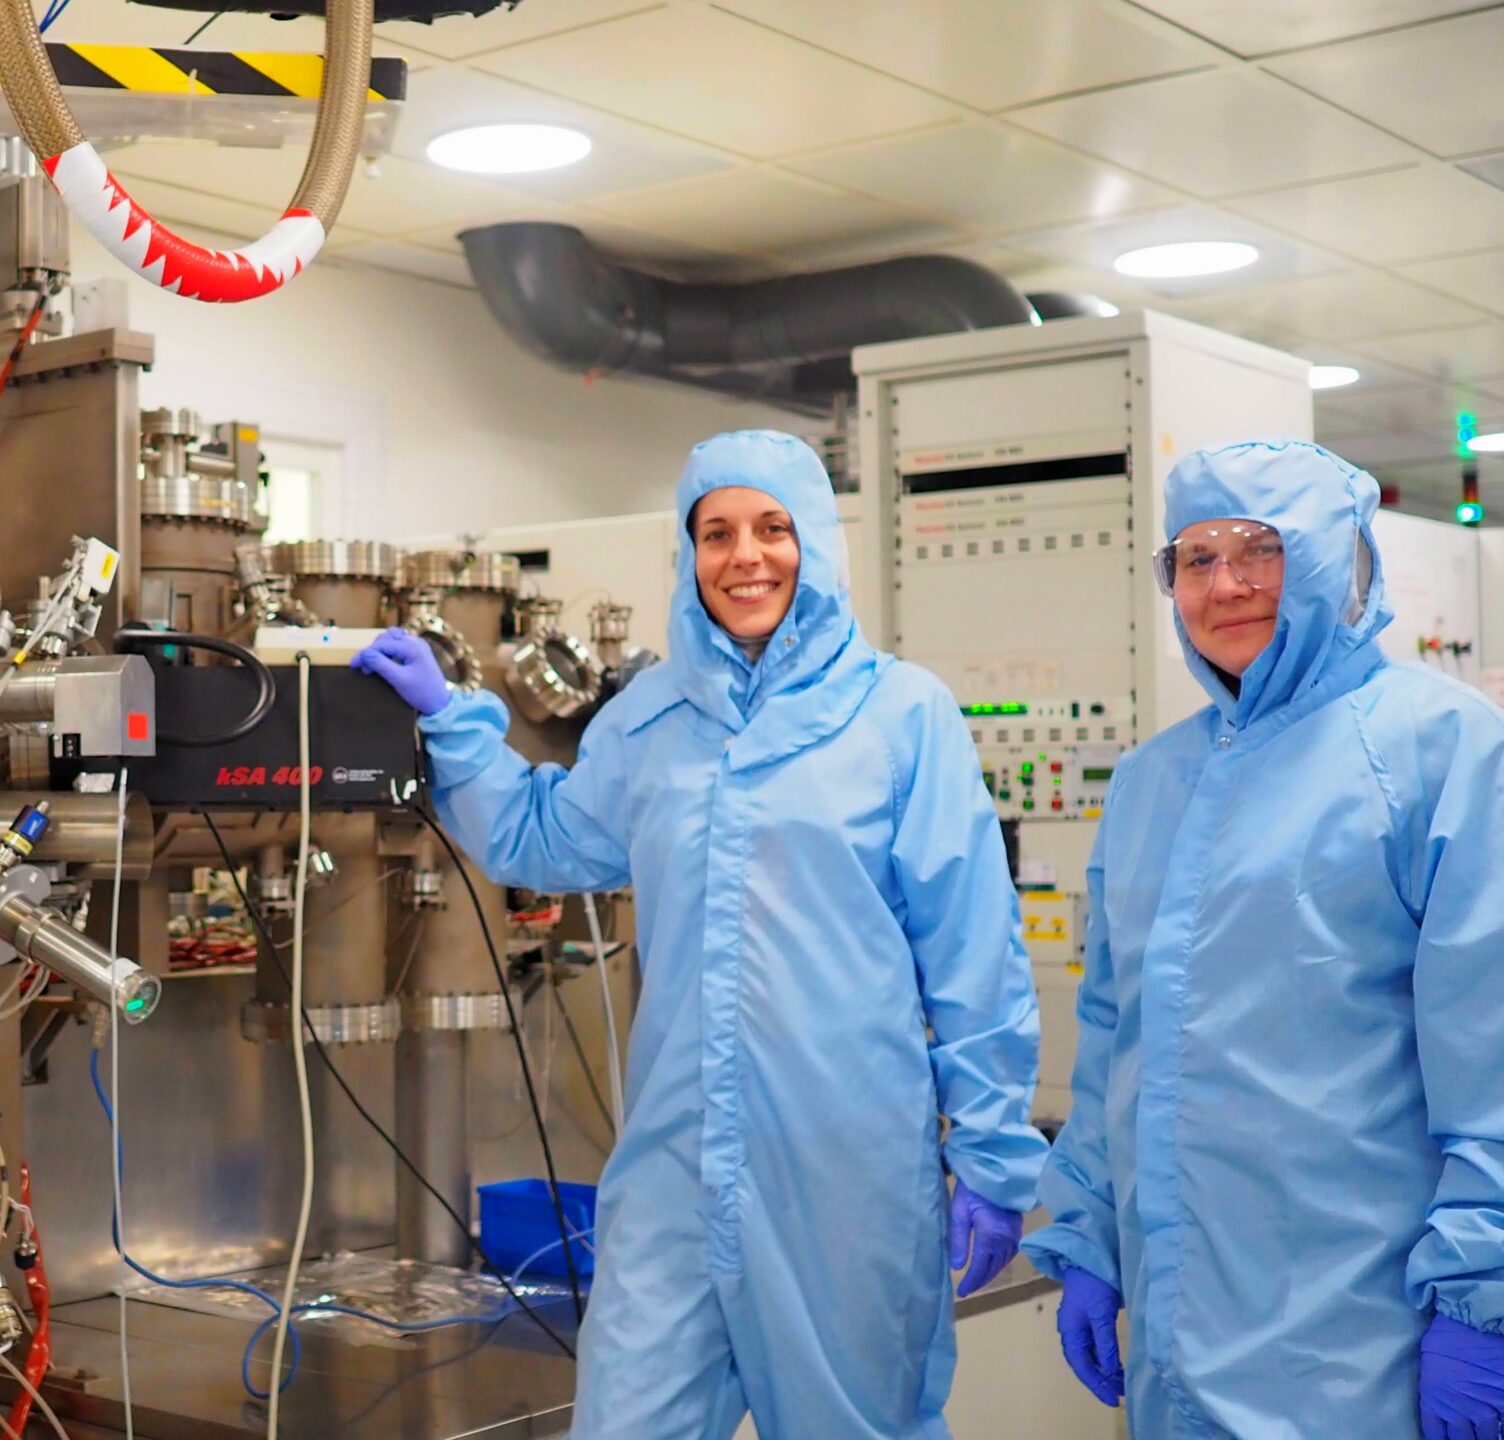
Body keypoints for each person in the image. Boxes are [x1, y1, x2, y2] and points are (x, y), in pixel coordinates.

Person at [355, 429, 1047, 1439]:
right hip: (676, 1166)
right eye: (715, 532)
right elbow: (544, 837)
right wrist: (454, 719)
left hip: (842, 1171)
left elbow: (972, 951)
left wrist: (990, 1150)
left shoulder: (902, 717)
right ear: (689, 557)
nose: (745, 556)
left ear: (814, 541)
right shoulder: (651, 719)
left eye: (772, 528)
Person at [1022, 440, 1504, 1439]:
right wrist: (1087, 1231)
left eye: (1260, 549)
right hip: (1177, 1339)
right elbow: (1118, 1033)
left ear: (1332, 557)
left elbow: (1490, 1050)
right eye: (1193, 558)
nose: (1226, 583)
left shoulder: (1442, 751)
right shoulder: (1157, 780)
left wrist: (1479, 1300)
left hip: (1355, 1342)